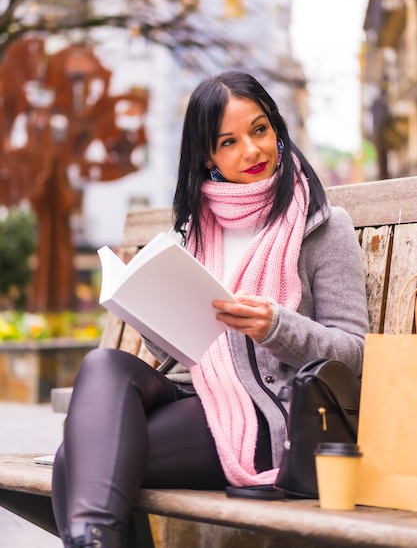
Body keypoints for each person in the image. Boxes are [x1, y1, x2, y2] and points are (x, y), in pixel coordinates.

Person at [52, 71, 369, 548]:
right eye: (229, 141)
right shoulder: (194, 230)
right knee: (103, 363)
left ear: (277, 128)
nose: (252, 151)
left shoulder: (322, 226)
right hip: (194, 392)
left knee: (71, 463)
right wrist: (150, 310)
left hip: (267, 411)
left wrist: (275, 326)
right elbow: (186, 346)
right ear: (207, 155)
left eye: (260, 130)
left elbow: (356, 353)